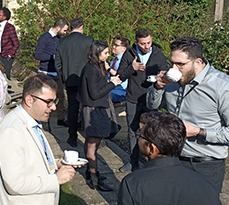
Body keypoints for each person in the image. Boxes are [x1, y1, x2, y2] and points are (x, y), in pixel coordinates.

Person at [147, 36, 229, 194]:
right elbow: (152, 105)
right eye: (172, 63)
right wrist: (157, 87)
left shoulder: (222, 86)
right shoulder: (171, 81)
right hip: (172, 159)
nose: (174, 69)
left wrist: (199, 132)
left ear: (198, 62)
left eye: (180, 64)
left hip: (205, 165)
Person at [0, 74, 76, 205]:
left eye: (54, 101)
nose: (53, 107)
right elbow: (14, 184)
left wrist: (55, 163)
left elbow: (29, 160)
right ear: (30, 100)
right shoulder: (12, 130)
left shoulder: (31, 122)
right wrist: (55, 180)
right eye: (48, 102)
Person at [118, 112, 222, 205]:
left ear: (151, 148)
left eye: (139, 136)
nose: (138, 139)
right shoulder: (206, 185)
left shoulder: (133, 184)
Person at [117, 29, 168, 172]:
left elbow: (166, 72)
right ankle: (133, 162)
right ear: (136, 42)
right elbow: (120, 75)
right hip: (133, 97)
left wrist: (161, 77)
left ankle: (151, 163)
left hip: (151, 98)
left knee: (152, 132)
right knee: (133, 130)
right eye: (143, 44)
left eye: (149, 43)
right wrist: (132, 68)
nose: (146, 46)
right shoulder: (129, 54)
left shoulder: (158, 54)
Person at [79, 41, 121, 191]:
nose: (108, 55)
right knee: (92, 143)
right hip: (94, 110)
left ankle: (92, 170)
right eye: (105, 53)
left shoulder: (97, 66)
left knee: (94, 143)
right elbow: (95, 93)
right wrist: (112, 84)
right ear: (97, 53)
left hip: (98, 108)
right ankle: (93, 176)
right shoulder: (91, 69)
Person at [55, 17, 93, 147]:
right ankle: (89, 135)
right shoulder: (88, 41)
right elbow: (93, 60)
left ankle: (72, 136)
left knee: (72, 107)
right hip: (86, 79)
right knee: (87, 107)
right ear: (81, 27)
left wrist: (63, 76)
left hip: (70, 79)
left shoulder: (62, 42)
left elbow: (57, 63)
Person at [35, 18, 68, 128]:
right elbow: (38, 55)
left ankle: (60, 119)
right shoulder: (44, 38)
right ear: (58, 28)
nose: (65, 33)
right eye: (64, 30)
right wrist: (53, 57)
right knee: (44, 97)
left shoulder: (59, 39)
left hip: (56, 73)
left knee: (61, 96)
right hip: (45, 72)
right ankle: (42, 119)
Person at [0, 7, 19, 80]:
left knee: (5, 76)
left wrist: (10, 55)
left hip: (6, 56)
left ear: (5, 17)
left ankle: (5, 90)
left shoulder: (10, 28)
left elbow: (16, 43)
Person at [109, 36, 130, 103]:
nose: (113, 47)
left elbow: (121, 75)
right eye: (114, 45)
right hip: (113, 87)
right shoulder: (114, 60)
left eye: (116, 45)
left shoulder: (125, 61)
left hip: (121, 90)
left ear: (124, 48)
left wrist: (108, 69)